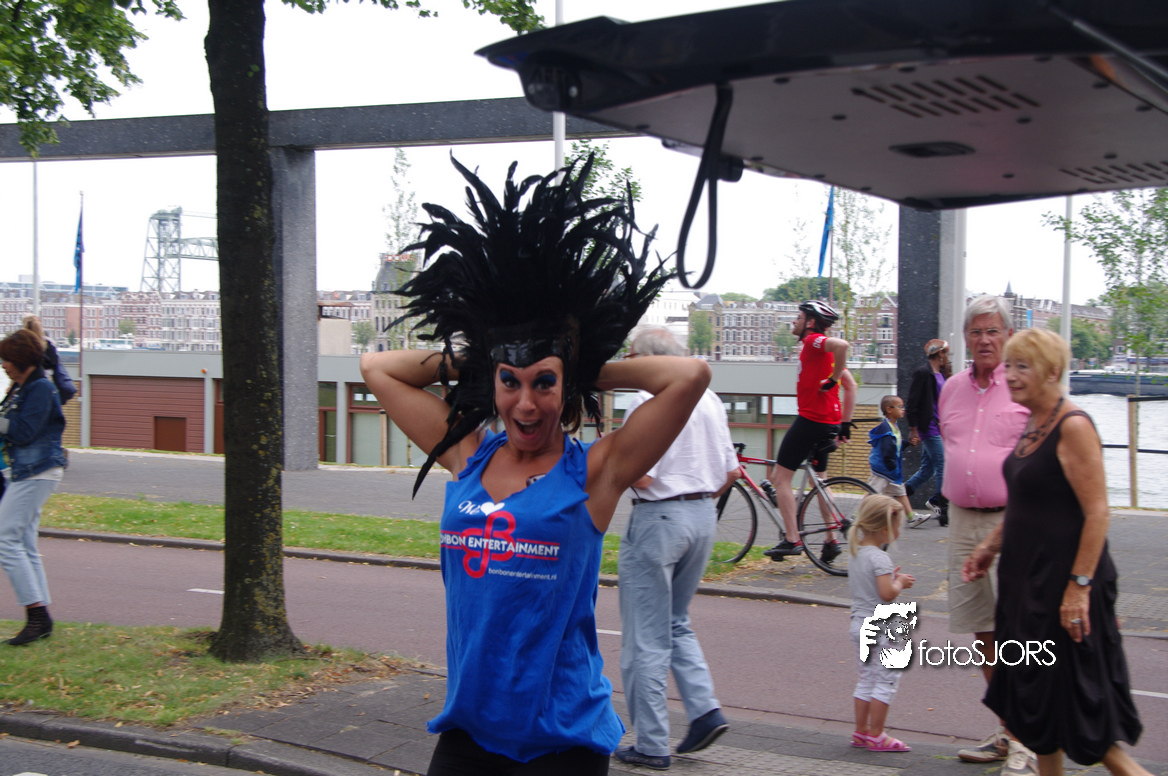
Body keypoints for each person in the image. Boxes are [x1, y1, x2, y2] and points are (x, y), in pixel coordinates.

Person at [359, 157, 710, 776]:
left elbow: (688, 376)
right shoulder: (468, 456)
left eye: (544, 383)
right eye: (510, 383)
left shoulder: (595, 473)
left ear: (564, 388)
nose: (526, 403)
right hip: (469, 730)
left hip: (562, 739)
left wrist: (578, 364)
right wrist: (482, 359)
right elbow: (377, 368)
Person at [962, 328, 1149, 776]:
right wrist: (989, 546)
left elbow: (1098, 512)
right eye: (1009, 365)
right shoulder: (1033, 423)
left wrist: (1078, 587)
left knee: (1084, 719)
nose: (1010, 375)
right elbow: (1029, 505)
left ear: (1053, 372)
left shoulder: (1074, 426)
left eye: (1022, 366)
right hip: (1027, 588)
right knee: (1040, 717)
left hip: (1062, 592)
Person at [615, 327, 739, 771]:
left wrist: (610, 462)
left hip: (658, 519)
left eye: (631, 358)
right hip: (703, 515)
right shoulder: (709, 399)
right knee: (676, 621)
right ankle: (705, 710)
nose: (627, 366)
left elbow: (641, 474)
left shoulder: (644, 401)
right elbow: (731, 472)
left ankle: (651, 743)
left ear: (649, 361)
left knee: (644, 638)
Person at [937, 295, 1035, 775]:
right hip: (961, 518)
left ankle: (1029, 740)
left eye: (993, 330)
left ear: (1009, 335)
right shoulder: (952, 388)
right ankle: (1008, 730)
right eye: (976, 331)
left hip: (1013, 521)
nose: (984, 340)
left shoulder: (1022, 384)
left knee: (1021, 628)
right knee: (983, 629)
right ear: (965, 338)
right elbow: (951, 442)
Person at [763, 300, 857, 565]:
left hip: (811, 420)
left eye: (799, 317)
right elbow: (852, 386)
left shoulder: (814, 341)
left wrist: (832, 379)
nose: (794, 321)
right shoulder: (824, 355)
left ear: (811, 322)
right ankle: (831, 540)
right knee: (820, 482)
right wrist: (845, 424)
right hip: (829, 423)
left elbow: (842, 345)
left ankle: (792, 539)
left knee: (780, 478)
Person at [0, 328, 67, 646]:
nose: (3, 365)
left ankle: (36, 615)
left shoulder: (40, 388)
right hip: (27, 472)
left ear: (21, 359)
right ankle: (42, 618)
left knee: (4, 539)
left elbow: (24, 432)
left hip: (36, 472)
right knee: (24, 544)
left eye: (6, 359)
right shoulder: (24, 387)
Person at [848, 494, 915, 753]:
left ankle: (861, 731)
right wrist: (900, 583)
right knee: (886, 680)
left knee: (866, 678)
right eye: (897, 526)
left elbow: (871, 586)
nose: (898, 532)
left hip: (859, 624)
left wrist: (889, 578)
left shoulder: (857, 553)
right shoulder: (880, 558)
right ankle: (877, 735)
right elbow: (887, 594)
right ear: (885, 529)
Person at [905, 338, 950, 525]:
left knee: (927, 469)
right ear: (939, 353)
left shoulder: (941, 374)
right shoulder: (923, 373)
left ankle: (901, 494)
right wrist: (913, 429)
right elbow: (912, 402)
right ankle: (942, 507)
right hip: (928, 426)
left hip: (939, 426)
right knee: (942, 464)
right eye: (946, 353)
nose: (947, 356)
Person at [866, 395, 914, 521]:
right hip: (883, 469)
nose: (903, 409)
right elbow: (887, 448)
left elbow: (895, 445)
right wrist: (891, 464)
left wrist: (907, 443)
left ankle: (912, 517)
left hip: (890, 469)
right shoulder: (886, 428)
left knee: (901, 492)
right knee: (872, 492)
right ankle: (857, 515)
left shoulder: (894, 426)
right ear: (889, 409)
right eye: (900, 407)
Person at [21, 314, 75, 406]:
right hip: (48, 383)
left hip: (30, 385)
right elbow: (54, 363)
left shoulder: (25, 344)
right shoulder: (48, 343)